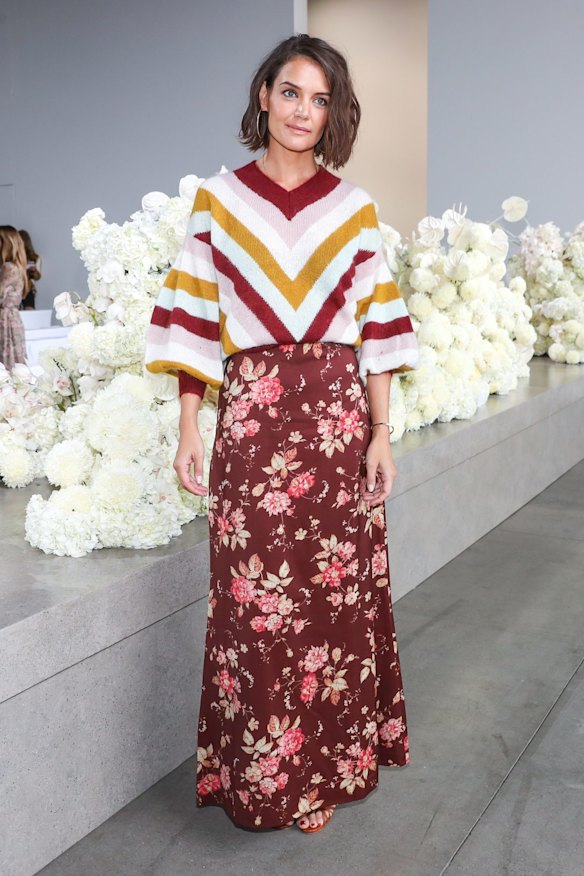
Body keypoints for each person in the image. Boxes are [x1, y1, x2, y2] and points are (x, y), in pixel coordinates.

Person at [144, 33, 420, 834]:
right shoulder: (217, 201)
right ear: (263, 95)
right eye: (291, 92)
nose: (304, 110)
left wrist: (380, 433)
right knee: (253, 604)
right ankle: (265, 780)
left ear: (334, 113)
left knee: (334, 602)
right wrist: (191, 426)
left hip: (337, 422)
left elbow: (378, 330)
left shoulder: (354, 208)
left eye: (321, 98)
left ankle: (326, 775)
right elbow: (195, 319)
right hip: (254, 424)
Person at [0, 225, 28, 369]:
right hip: (13, 319)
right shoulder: (17, 266)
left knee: (6, 365)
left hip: (5, 320)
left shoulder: (8, 267)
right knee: (15, 363)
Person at [18, 229, 42, 310]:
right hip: (15, 289)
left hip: (28, 288)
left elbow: (37, 277)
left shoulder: (35, 258)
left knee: (29, 312)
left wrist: (32, 270)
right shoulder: (14, 258)